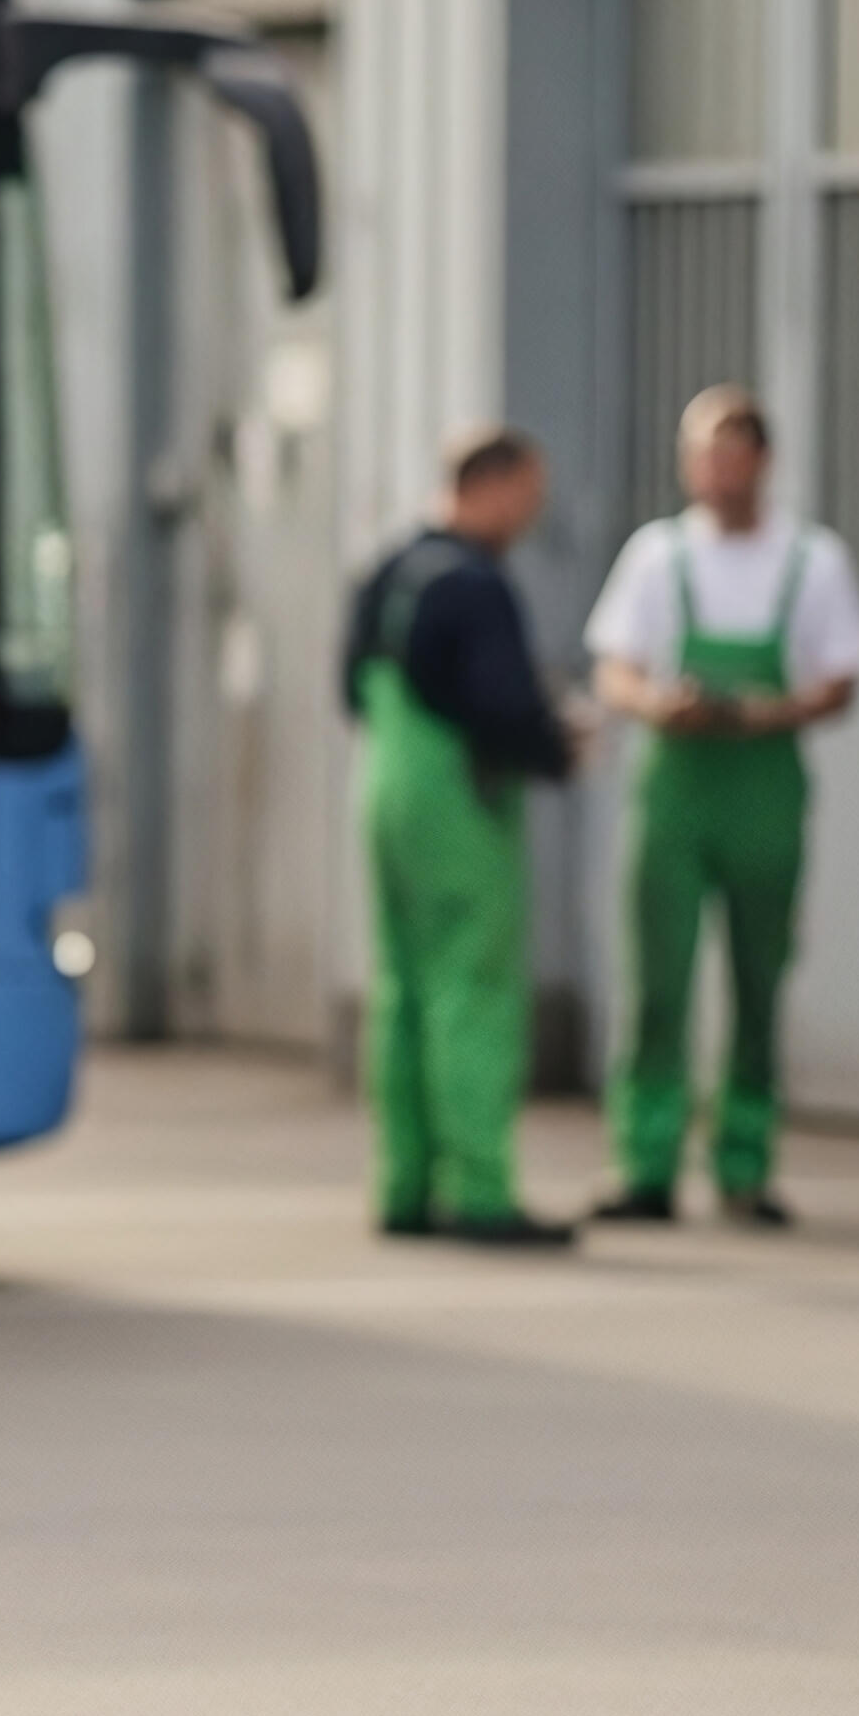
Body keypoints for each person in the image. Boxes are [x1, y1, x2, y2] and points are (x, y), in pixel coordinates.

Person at [586, 385, 859, 1226]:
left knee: (758, 979)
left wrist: (761, 712)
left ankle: (744, 1162)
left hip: (762, 789)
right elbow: (615, 666)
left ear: (763, 461)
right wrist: (658, 705)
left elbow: (839, 681)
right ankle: (645, 1161)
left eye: (730, 453)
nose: (713, 471)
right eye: (701, 454)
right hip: (674, 787)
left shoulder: (812, 562)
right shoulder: (657, 556)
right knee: (656, 984)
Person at [346, 428, 579, 1246]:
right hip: (461, 804)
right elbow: (503, 706)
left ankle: (405, 1187)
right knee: (473, 992)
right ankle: (481, 1189)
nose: (532, 515)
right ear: (496, 484)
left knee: (402, 988)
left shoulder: (388, 570)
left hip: (384, 792)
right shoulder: (476, 586)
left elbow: (350, 686)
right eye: (530, 496)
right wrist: (558, 747)